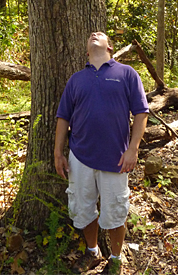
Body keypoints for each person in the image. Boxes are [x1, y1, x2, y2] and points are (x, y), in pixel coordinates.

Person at [54, 31, 149, 274]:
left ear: (110, 48)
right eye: (90, 36)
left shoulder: (127, 73)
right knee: (83, 208)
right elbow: (63, 117)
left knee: (116, 211)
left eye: (101, 35)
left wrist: (133, 149)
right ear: (87, 51)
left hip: (116, 158)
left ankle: (116, 259)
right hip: (80, 157)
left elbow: (141, 112)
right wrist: (58, 153)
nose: (95, 34)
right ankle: (93, 252)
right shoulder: (76, 79)